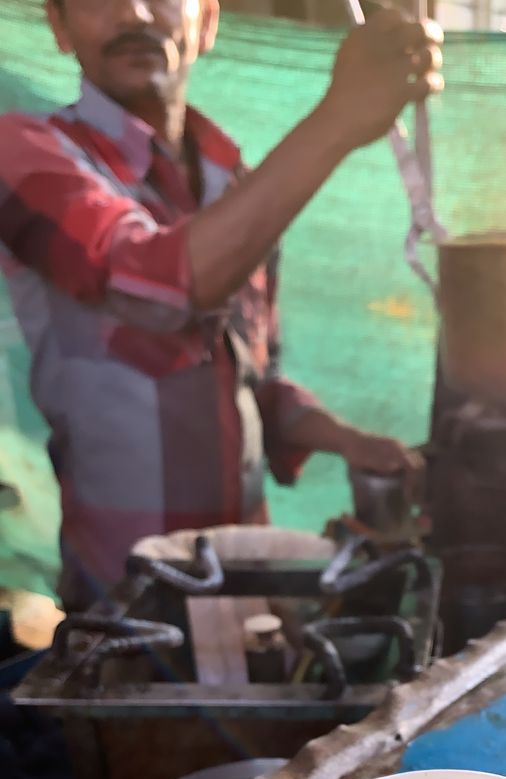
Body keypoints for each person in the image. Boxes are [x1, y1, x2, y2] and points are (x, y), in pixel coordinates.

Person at [0, 0, 442, 611]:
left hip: (248, 586)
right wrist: (339, 119)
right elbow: (157, 285)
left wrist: (346, 439)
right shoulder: (25, 153)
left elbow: (253, 381)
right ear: (59, 24)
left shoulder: (234, 182)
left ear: (206, 22)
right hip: (127, 602)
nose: (133, 12)